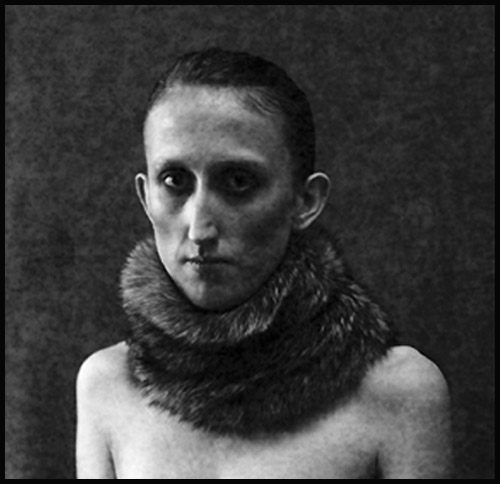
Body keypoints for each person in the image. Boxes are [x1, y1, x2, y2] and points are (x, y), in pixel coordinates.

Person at [76, 48, 452, 479]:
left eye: (238, 182)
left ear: (304, 201)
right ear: (146, 197)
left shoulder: (397, 391)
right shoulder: (106, 385)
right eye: (175, 181)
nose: (199, 229)